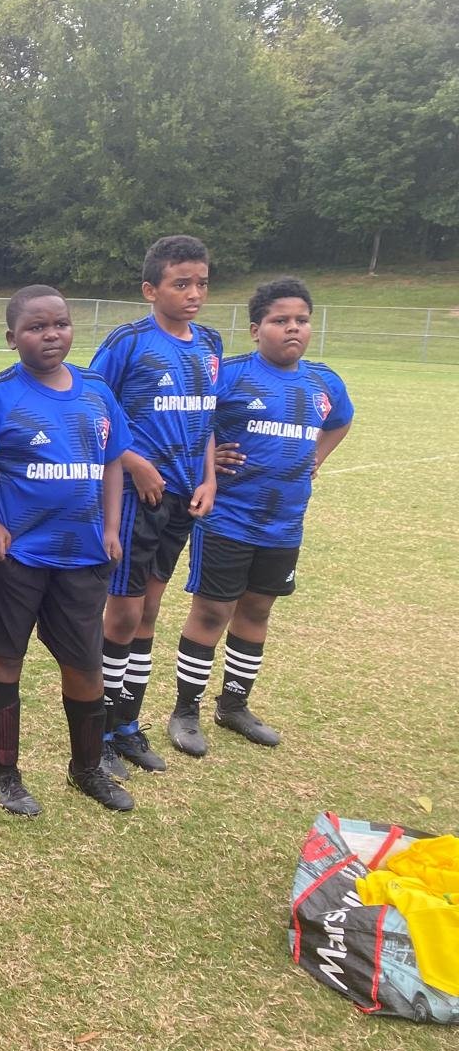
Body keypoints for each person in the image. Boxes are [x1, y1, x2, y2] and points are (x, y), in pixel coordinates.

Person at [0, 286, 136, 817]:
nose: (51, 335)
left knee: (84, 663)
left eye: (60, 324)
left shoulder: (97, 392)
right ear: (11, 337)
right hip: (17, 557)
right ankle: (4, 772)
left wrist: (111, 527)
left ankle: (86, 767)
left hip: (83, 554)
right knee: (5, 656)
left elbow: (113, 461)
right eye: (36, 327)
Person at [167, 277, 353, 752]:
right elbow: (196, 420)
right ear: (255, 329)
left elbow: (340, 421)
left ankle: (234, 706)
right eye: (280, 320)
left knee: (257, 609)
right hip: (228, 517)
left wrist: (317, 458)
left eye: (301, 320)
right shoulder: (229, 375)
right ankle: (185, 711)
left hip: (285, 521)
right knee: (212, 611)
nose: (293, 328)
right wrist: (209, 460)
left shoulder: (324, 382)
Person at [89, 235, 221, 772]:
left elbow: (206, 420)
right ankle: (96, 732)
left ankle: (126, 724)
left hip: (183, 498)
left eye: (202, 284)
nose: (194, 294)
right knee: (122, 614)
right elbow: (91, 409)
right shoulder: (128, 343)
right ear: (151, 290)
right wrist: (134, 461)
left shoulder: (210, 343)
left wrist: (209, 478)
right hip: (134, 495)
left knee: (148, 612)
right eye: (181, 283)